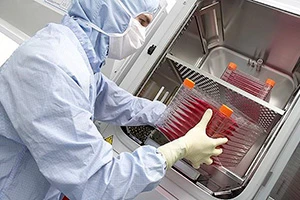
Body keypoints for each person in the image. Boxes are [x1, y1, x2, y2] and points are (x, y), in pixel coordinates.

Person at [0, 0, 228, 199]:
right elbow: (99, 184)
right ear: (114, 8)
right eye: (142, 21)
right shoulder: (52, 67)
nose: (141, 35)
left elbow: (103, 95)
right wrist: (178, 149)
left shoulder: (74, 53)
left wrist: (171, 116)